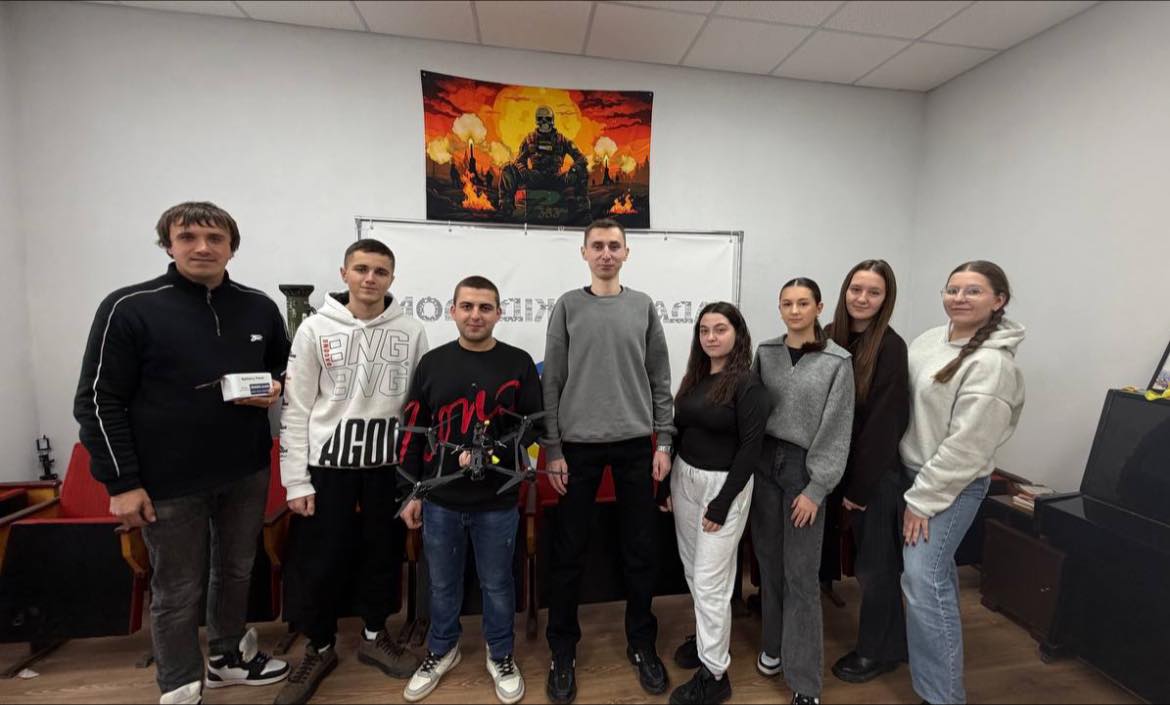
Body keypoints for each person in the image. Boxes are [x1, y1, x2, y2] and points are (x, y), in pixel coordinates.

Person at [74, 201, 291, 705]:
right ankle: (179, 685)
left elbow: (284, 369)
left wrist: (276, 386)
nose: (202, 247)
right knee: (177, 589)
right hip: (166, 481)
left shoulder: (259, 307)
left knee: (236, 571)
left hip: (245, 470)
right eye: (188, 237)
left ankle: (227, 657)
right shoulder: (129, 307)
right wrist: (122, 483)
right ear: (168, 245)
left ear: (232, 247)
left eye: (215, 238)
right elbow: (97, 400)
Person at [274, 238, 428, 704]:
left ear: (392, 278)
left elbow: (418, 409)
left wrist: (415, 479)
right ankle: (319, 646)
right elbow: (296, 407)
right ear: (344, 274)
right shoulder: (314, 329)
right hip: (328, 467)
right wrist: (295, 480)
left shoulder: (411, 330)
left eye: (380, 271)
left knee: (382, 555)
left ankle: (375, 635)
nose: (370, 278)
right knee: (321, 559)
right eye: (361, 269)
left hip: (388, 467)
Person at [542, 218, 675, 704]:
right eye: (597, 245)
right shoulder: (567, 306)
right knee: (569, 552)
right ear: (584, 253)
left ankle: (641, 643)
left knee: (641, 550)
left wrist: (664, 442)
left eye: (614, 246)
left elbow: (660, 377)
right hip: (577, 447)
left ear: (626, 253)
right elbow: (552, 381)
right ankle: (563, 650)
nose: (605, 253)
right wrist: (553, 448)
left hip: (636, 444)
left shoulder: (642, 306)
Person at [397, 276, 543, 705]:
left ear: (499, 313)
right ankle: (442, 649)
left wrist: (493, 451)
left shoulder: (518, 363)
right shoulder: (432, 364)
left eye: (484, 307)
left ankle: (501, 654)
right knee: (442, 584)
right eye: (467, 306)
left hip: (497, 500)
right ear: (453, 311)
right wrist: (410, 492)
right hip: (441, 500)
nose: (475, 315)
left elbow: (533, 426)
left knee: (497, 583)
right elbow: (412, 429)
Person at [900, 261, 1025, 705]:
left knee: (923, 582)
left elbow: (967, 447)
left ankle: (943, 696)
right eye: (953, 289)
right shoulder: (929, 340)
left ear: (998, 300)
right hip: (914, 475)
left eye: (973, 291)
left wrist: (922, 501)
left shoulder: (993, 365)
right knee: (934, 579)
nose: (959, 298)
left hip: (948, 487)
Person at [658, 302, 768, 705]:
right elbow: (680, 429)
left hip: (724, 487)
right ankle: (708, 642)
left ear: (737, 333)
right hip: (684, 478)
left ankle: (715, 673)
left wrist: (722, 504)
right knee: (693, 571)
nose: (711, 337)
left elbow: (751, 450)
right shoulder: (696, 377)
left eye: (720, 329)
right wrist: (665, 486)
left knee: (711, 582)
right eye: (704, 330)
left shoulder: (748, 385)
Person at [752, 277, 854, 705]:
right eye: (787, 304)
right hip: (764, 466)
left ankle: (805, 682)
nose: (794, 311)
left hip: (804, 469)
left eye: (803, 303)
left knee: (801, 575)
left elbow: (837, 430)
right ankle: (774, 646)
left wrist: (816, 488)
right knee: (769, 564)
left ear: (819, 308)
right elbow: (752, 412)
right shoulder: (766, 352)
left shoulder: (837, 361)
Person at [822, 260, 911, 684]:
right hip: (835, 470)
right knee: (867, 565)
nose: (862, 298)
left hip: (872, 478)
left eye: (873, 292)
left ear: (885, 299)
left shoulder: (890, 348)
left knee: (876, 570)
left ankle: (879, 652)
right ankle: (893, 643)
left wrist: (858, 489)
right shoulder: (829, 336)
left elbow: (883, 425)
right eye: (856, 289)